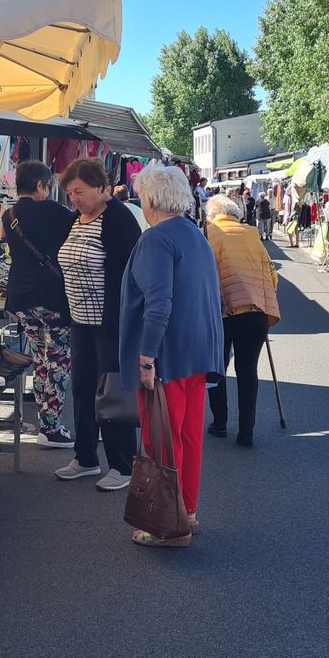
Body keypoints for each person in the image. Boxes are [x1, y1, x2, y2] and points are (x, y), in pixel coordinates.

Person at [120, 164, 224, 546]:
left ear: (150, 200)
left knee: (162, 440)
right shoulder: (195, 235)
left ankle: (166, 523)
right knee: (188, 436)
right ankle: (187, 513)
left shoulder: (156, 239)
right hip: (197, 351)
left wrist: (146, 358)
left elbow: (158, 304)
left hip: (168, 354)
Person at [55, 159, 141, 491]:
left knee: (111, 393)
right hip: (80, 321)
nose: (73, 198)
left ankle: (123, 464)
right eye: (69, 192)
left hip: (110, 324)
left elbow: (133, 273)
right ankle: (86, 458)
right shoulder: (75, 220)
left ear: (102, 188)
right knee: (82, 389)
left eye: (79, 191)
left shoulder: (118, 218)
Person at [1, 160, 76, 448]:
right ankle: (51, 427)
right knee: (57, 360)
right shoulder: (57, 213)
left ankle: (46, 422)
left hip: (20, 297)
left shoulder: (9, 215)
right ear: (40, 185)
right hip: (51, 296)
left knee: (41, 358)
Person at [205, 194, 280, 447]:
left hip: (222, 312)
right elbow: (272, 275)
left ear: (213, 215)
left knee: (218, 367)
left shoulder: (210, 234)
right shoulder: (252, 234)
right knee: (248, 370)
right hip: (256, 312)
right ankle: (246, 432)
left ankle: (220, 423)